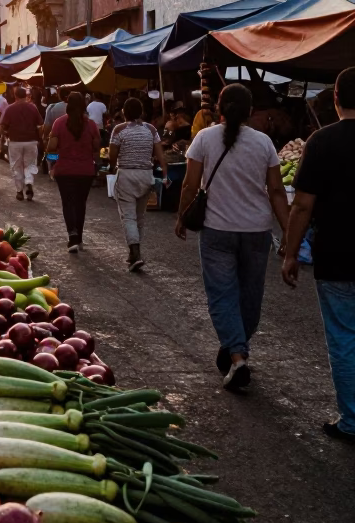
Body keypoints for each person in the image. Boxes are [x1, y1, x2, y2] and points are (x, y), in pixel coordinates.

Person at [176, 84, 289, 392]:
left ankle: (236, 356)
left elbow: (189, 184)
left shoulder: (203, 138)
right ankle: (237, 348)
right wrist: (291, 235)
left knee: (222, 294)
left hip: (217, 231)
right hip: (257, 231)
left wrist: (182, 216)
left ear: (219, 110)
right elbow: (277, 191)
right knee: (250, 296)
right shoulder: (264, 142)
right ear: (251, 111)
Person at [282, 67, 355, 441]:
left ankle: (351, 421)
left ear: (336, 99)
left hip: (336, 254)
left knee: (343, 337)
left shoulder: (320, 142)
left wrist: (290, 253)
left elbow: (302, 206)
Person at [109, 97, 168, 271]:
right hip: (146, 176)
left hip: (126, 174)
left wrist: (112, 168)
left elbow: (112, 156)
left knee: (128, 216)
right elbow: (160, 155)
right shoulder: (151, 129)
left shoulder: (119, 130)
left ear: (124, 113)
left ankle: (135, 252)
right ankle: (134, 252)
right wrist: (164, 174)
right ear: (141, 112)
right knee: (140, 216)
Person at [47, 91, 101, 251]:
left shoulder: (59, 123)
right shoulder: (91, 125)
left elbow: (51, 147)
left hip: (64, 170)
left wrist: (53, 157)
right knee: (80, 204)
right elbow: (97, 147)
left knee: (67, 203)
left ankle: (72, 236)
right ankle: (80, 238)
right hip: (85, 170)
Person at [1, 86, 43, 201]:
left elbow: (2, 126)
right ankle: (29, 182)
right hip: (31, 141)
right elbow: (40, 125)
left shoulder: (10, 108)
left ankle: (19, 191)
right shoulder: (33, 107)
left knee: (16, 165)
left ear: (15, 96)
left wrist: (5, 136)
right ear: (26, 95)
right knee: (29, 164)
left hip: (15, 141)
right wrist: (39, 138)